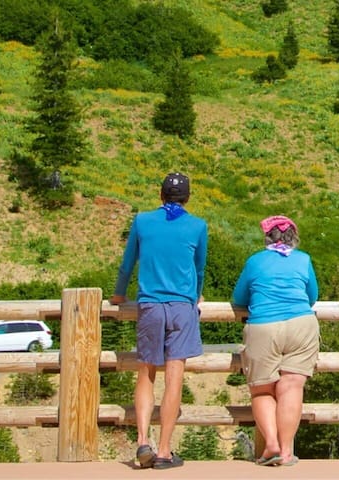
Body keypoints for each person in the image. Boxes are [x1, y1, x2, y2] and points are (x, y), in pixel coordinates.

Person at [112, 172, 208, 470]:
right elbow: (200, 268)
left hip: (151, 305)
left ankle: (143, 440)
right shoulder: (197, 226)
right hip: (182, 305)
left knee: (146, 372)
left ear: (161, 195)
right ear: (187, 197)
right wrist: (197, 295)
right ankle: (165, 451)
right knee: (174, 376)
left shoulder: (142, 221)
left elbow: (128, 263)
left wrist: (118, 294)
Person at [231, 216, 320, 467]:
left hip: (263, 325)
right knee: (291, 386)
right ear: (293, 236)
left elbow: (239, 297)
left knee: (262, 389)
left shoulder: (255, 261)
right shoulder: (303, 259)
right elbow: (312, 295)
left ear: (267, 237)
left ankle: (271, 444)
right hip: (301, 324)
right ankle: (287, 451)